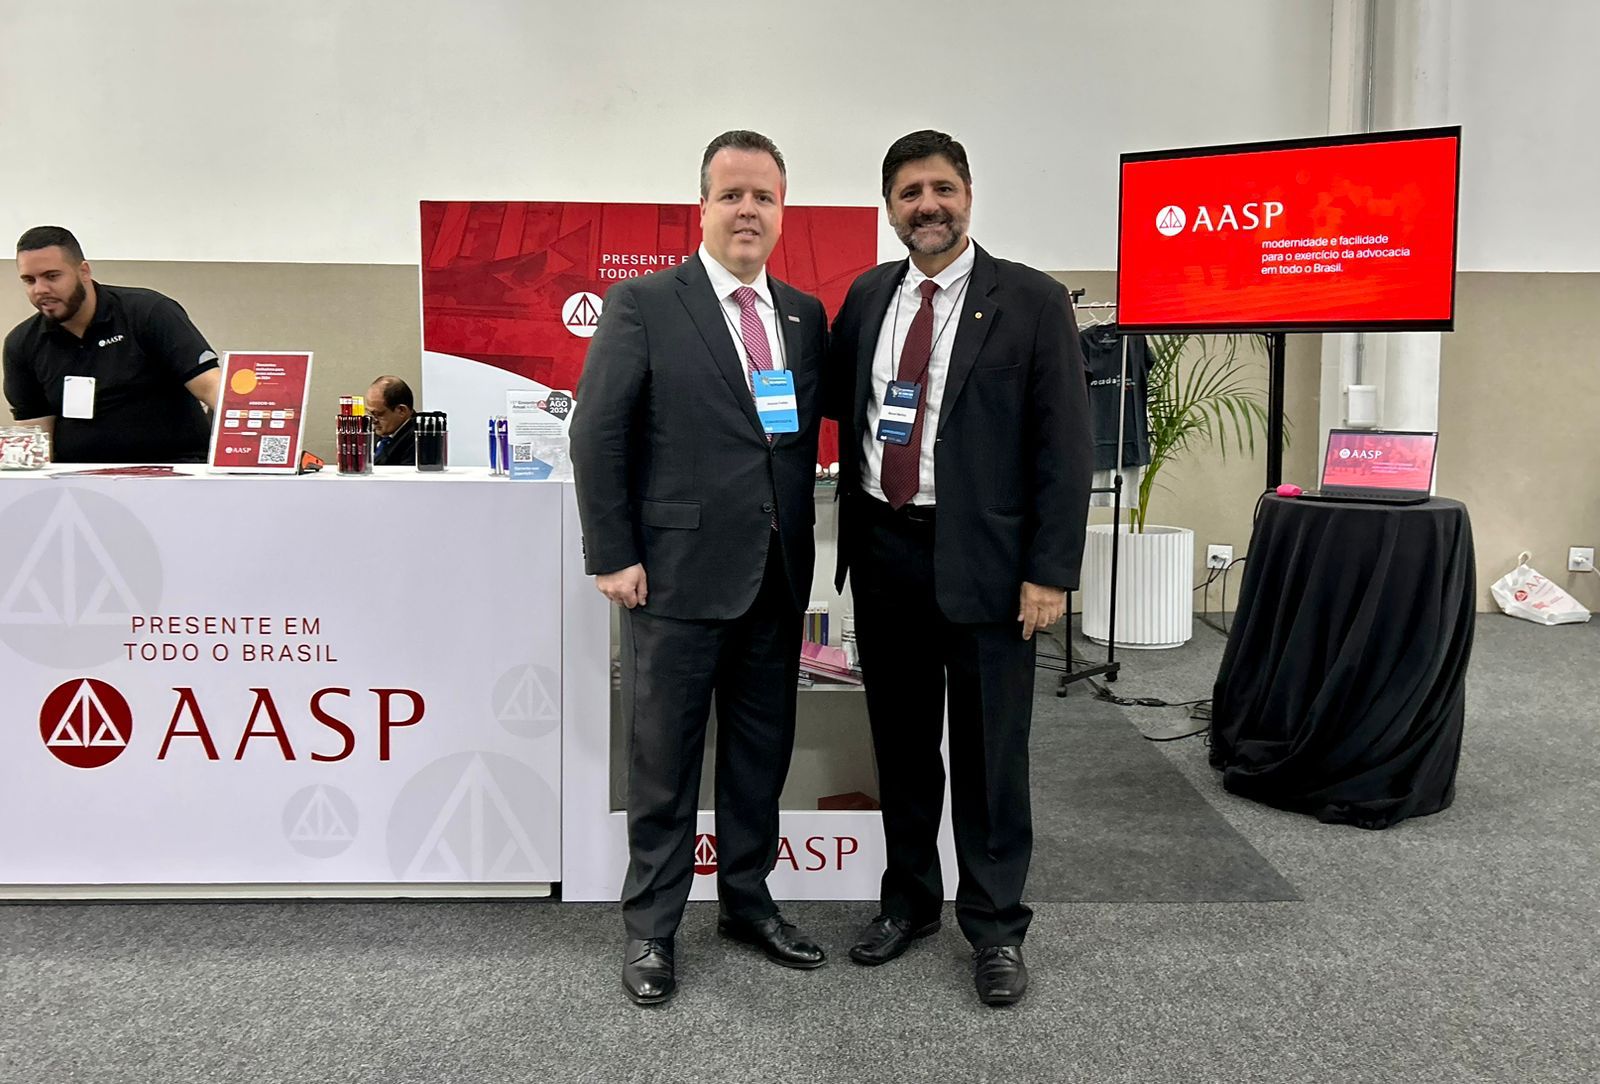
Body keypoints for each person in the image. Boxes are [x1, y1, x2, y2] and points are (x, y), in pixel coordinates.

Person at [824, 130, 1093, 1006]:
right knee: (902, 746)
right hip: (886, 552)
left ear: (968, 194)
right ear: (889, 208)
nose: (927, 205)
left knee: (989, 754)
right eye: (909, 193)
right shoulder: (868, 297)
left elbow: (1065, 447)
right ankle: (908, 902)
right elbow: (834, 404)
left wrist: (1050, 572)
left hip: (991, 566)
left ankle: (996, 924)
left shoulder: (1031, 300)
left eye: (941, 188)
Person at [569, 130, 830, 1006]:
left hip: (775, 576)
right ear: (704, 207)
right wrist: (613, 553)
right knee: (665, 762)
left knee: (760, 754)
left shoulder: (803, 315)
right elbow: (598, 432)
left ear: (782, 212)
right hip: (674, 577)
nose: (748, 210)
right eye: (732, 195)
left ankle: (748, 905)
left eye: (764, 196)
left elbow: (786, 441)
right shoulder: (645, 302)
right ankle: (652, 928)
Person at [4, 226, 221, 463]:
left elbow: (211, 386)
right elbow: (35, 435)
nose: (40, 290)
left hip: (175, 469)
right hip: (77, 478)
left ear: (84, 271)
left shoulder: (148, 313)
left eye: (52, 276)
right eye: (29, 280)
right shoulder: (22, 344)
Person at [366, 375, 417, 466]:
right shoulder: (376, 433)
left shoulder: (418, 440)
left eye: (379, 414)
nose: (373, 420)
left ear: (401, 411)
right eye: (370, 413)